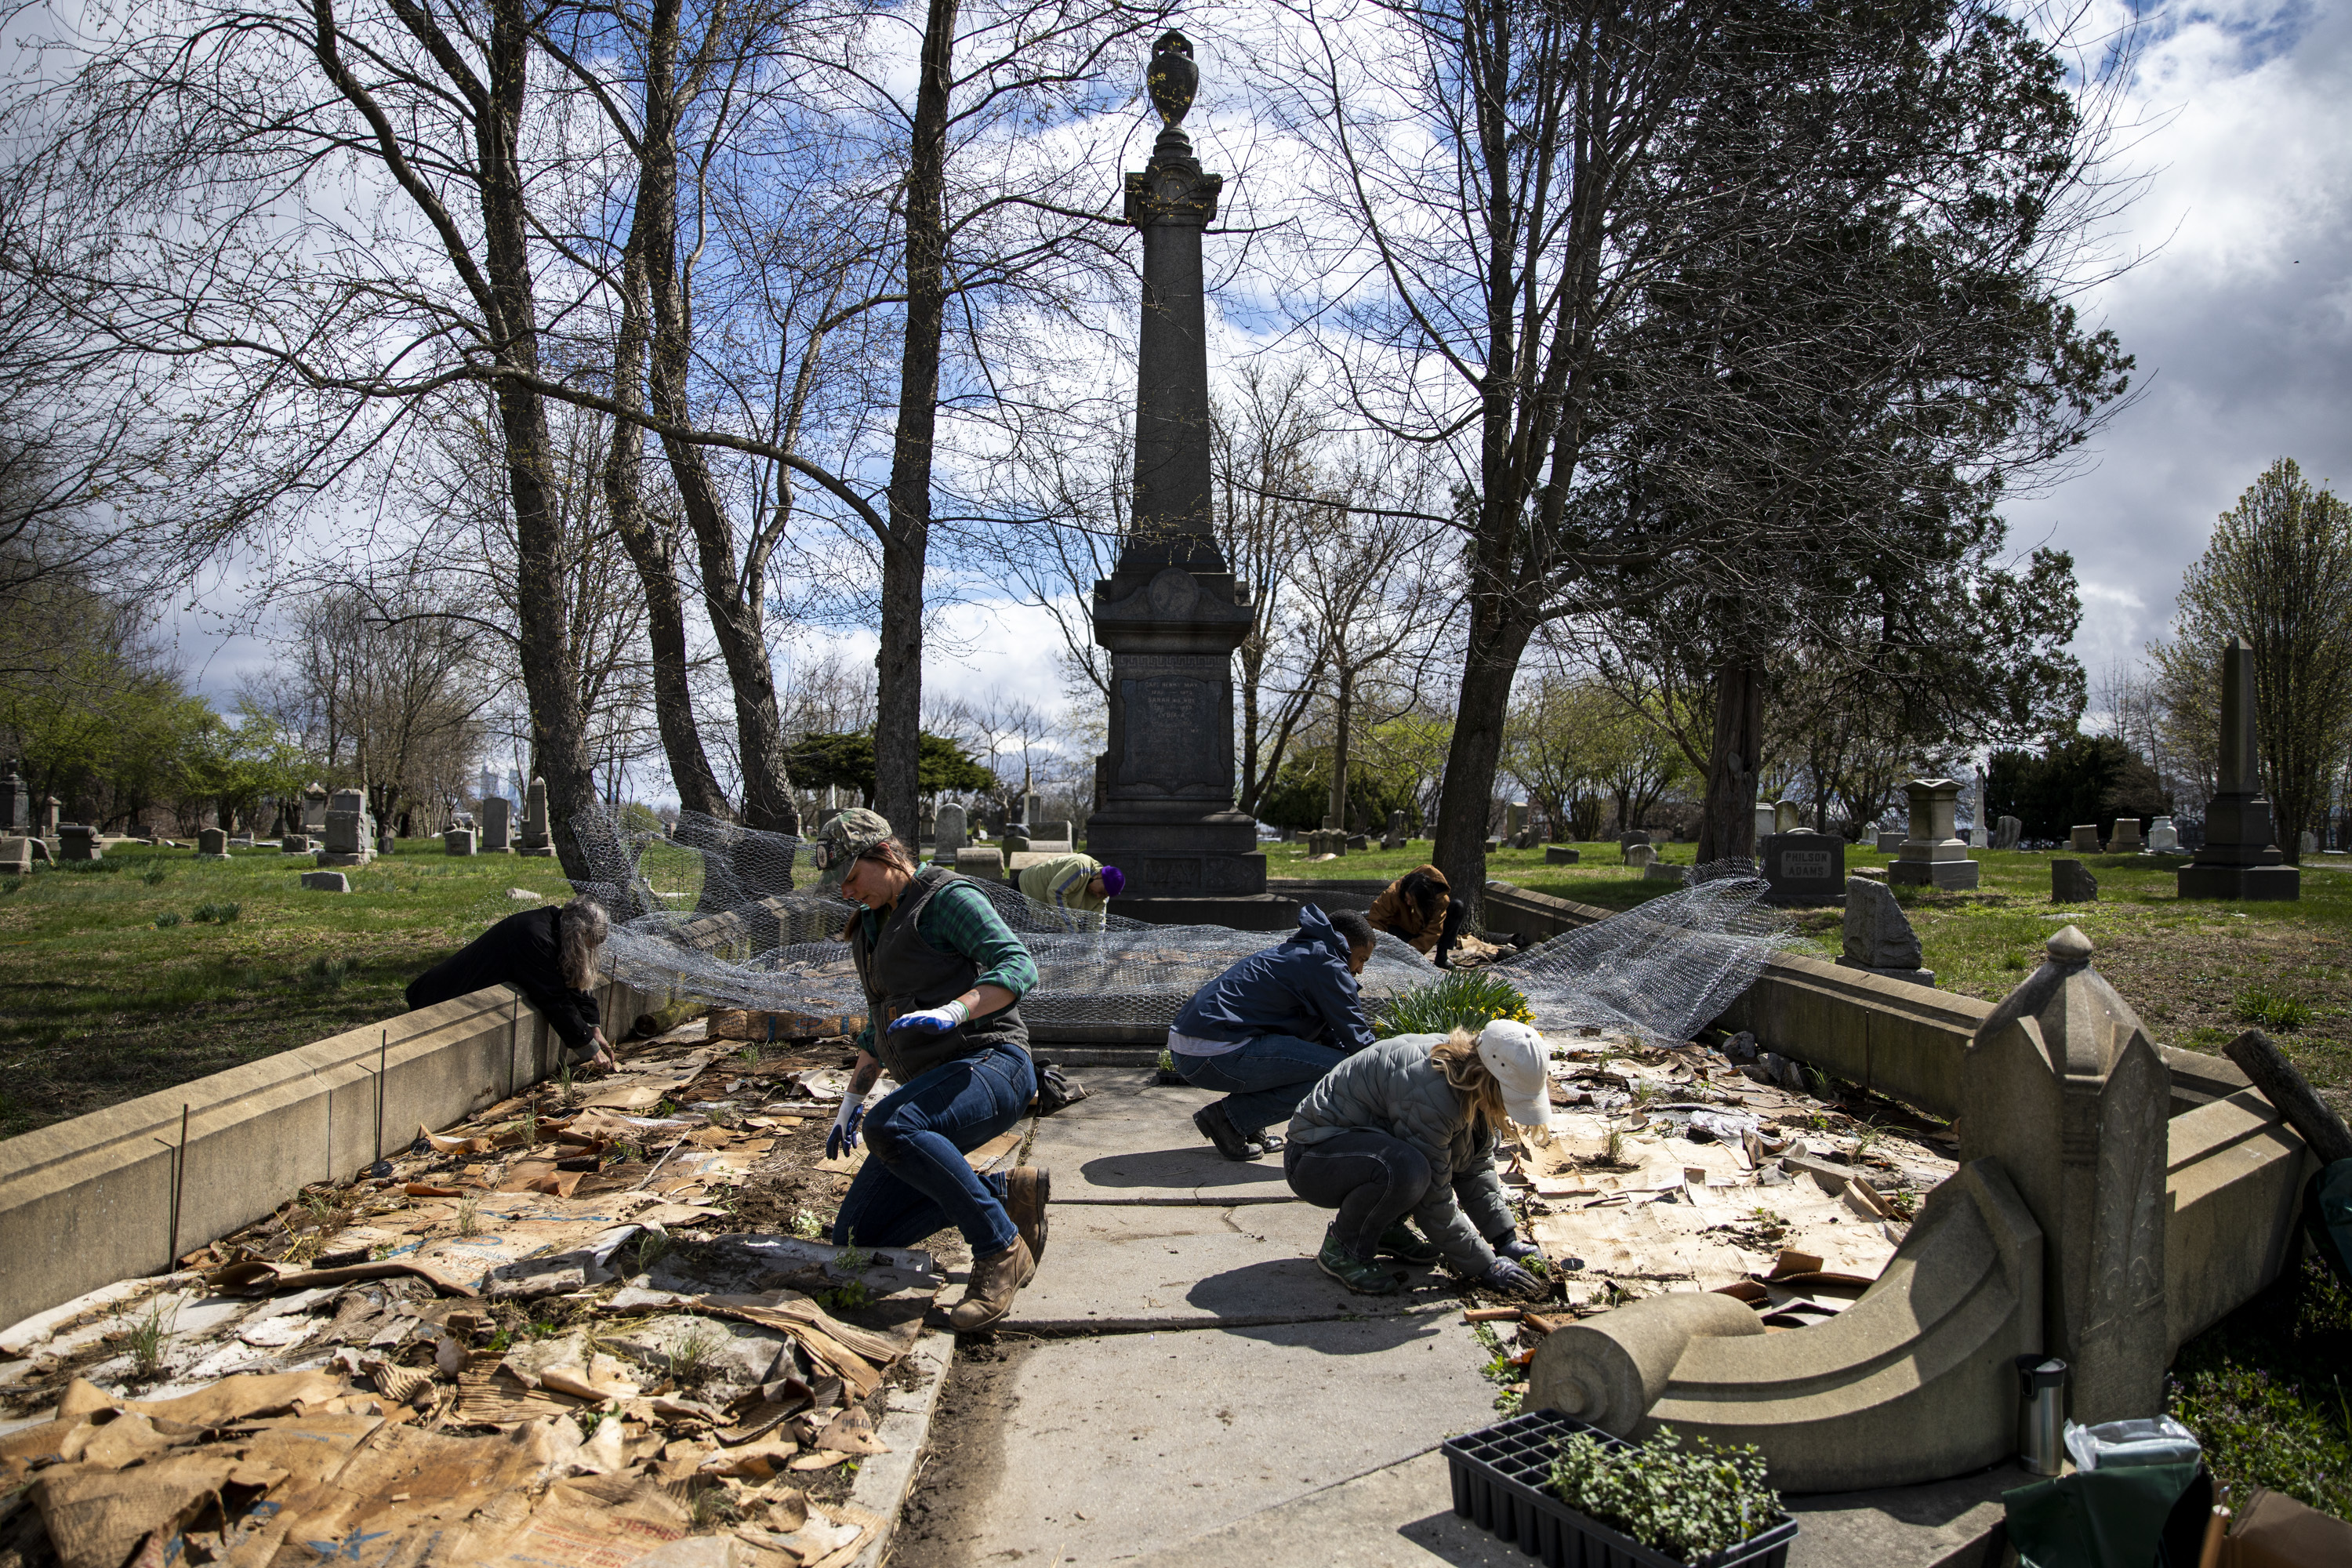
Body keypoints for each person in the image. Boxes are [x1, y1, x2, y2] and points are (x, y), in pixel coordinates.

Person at [818, 808, 1051, 1331]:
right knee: (856, 1238)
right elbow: (881, 1027)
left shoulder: (947, 899)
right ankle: (1006, 1196)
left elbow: (1018, 965)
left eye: (853, 878)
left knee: (893, 1127)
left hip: (994, 1065)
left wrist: (956, 1010)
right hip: (935, 1083)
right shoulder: (872, 925)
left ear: (885, 855)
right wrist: (851, 1100)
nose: (847, 893)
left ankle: (999, 1250)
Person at [1284, 1019, 1554, 1297]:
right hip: (1312, 1157)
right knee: (1408, 1170)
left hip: (1356, 1151)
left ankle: (1381, 1229)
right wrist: (1486, 1266)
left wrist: (1505, 1238)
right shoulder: (1432, 1087)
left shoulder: (1468, 1077)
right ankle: (1343, 1247)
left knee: (1457, 1151)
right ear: (1490, 1078)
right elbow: (1433, 1198)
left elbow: (1475, 1169)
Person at [1167, 907, 1380, 1161]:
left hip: (1195, 1047)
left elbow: (1330, 1034)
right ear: (1346, 944)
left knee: (1317, 1059)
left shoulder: (1308, 953)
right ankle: (1228, 1120)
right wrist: (1391, 1071)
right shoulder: (1327, 963)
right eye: (1362, 959)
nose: (1360, 970)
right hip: (1212, 1051)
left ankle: (1249, 1124)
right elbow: (1358, 1042)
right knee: (1340, 1074)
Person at [406, 895, 615, 1070]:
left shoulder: (558, 927)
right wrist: (590, 1048)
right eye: (587, 946)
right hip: (438, 999)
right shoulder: (534, 937)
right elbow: (554, 997)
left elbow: (574, 982)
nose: (589, 953)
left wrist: (593, 1025)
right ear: (578, 933)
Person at [1368, 864, 1471, 966]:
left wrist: (1409, 955)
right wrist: (1376, 948)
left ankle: (1442, 956)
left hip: (1420, 933)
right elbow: (1376, 920)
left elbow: (1432, 932)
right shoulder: (1393, 893)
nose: (1408, 903)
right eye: (1406, 899)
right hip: (1398, 933)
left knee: (1457, 907)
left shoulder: (1440, 901)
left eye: (1412, 900)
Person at [1014, 851, 1125, 930]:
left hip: (1043, 909)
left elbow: (1096, 924)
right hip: (1024, 890)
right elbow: (1056, 893)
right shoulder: (1081, 867)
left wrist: (1094, 954)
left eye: (1104, 895)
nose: (1098, 896)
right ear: (1099, 876)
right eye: (1101, 891)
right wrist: (1073, 931)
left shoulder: (1102, 897)